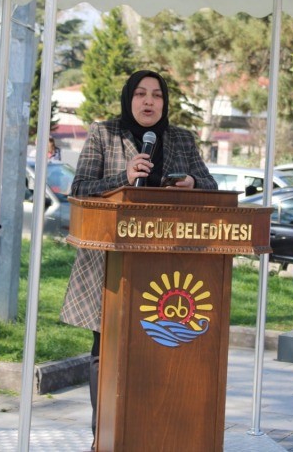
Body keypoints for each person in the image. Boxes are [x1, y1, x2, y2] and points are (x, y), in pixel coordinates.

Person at [59, 69, 217, 445]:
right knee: (107, 349)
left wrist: (193, 184)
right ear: (128, 98)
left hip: (167, 266)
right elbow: (80, 189)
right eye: (141, 94)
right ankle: (103, 436)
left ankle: (155, 434)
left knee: (159, 350)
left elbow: (212, 186)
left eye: (157, 95)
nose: (149, 101)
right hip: (111, 265)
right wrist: (123, 177)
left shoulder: (181, 138)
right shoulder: (104, 133)